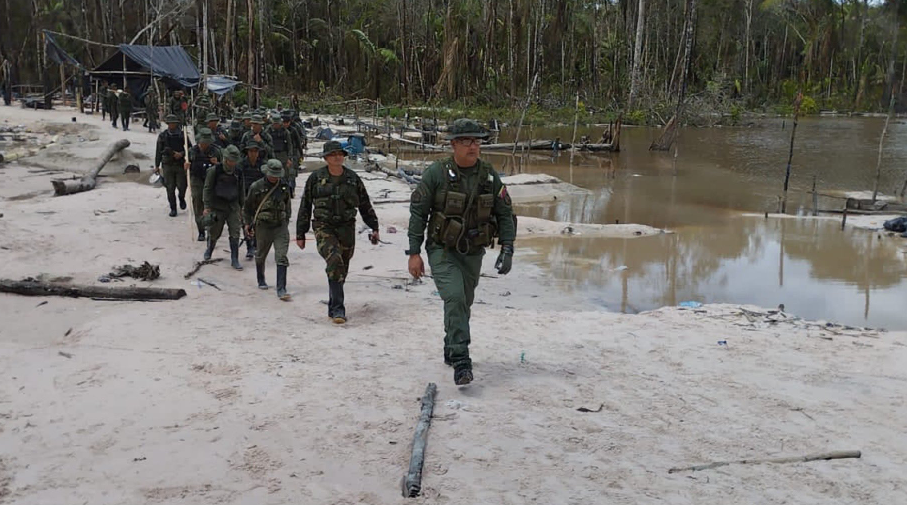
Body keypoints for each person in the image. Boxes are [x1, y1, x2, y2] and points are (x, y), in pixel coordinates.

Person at [406, 118, 516, 385]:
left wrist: (508, 249)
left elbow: (505, 213)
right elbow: (419, 213)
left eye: (476, 141)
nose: (473, 146)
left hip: (474, 251)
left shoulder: (488, 176)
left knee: (463, 303)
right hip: (441, 249)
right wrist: (413, 252)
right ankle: (462, 361)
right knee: (454, 297)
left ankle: (450, 347)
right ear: (453, 144)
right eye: (466, 141)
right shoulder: (436, 173)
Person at [296, 141, 379, 324]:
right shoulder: (316, 178)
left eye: (340, 154)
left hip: (347, 227)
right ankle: (338, 309)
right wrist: (300, 233)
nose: (337, 157)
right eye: (333, 154)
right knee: (334, 260)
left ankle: (333, 304)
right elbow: (305, 206)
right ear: (326, 158)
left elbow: (364, 204)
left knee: (342, 268)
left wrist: (374, 227)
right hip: (323, 226)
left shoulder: (352, 178)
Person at [243, 159, 293, 301]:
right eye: (272, 174)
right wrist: (247, 224)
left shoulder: (284, 186)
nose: (275, 177)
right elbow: (247, 208)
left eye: (277, 175)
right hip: (263, 226)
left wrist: (286, 221)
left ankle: (281, 288)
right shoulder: (256, 187)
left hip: (280, 226)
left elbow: (287, 205)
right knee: (261, 254)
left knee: (281, 256)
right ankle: (261, 278)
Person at [203, 144, 244, 270]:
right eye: (230, 161)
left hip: (232, 206)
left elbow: (241, 190)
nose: (232, 164)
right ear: (225, 159)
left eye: (234, 161)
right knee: (214, 231)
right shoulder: (214, 171)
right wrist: (207, 206)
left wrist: (242, 208)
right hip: (217, 206)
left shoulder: (238, 172)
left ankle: (234, 258)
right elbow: (207, 189)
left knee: (235, 232)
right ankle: (210, 249)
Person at [185, 128, 222, 241]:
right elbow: (188, 168)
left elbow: (224, 168)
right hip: (197, 180)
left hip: (211, 180)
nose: (204, 144)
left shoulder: (216, 151)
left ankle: (211, 229)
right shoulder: (192, 151)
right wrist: (186, 166)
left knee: (212, 205)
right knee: (197, 203)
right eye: (202, 142)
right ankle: (201, 230)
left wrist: (217, 163)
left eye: (207, 142)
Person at [154, 114, 192, 217]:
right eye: (170, 123)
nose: (172, 125)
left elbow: (190, 149)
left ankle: (181, 197)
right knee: (170, 188)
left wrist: (182, 154)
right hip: (167, 164)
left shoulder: (182, 135)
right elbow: (158, 151)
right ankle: (173, 208)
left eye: (174, 123)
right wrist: (157, 165)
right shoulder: (163, 136)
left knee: (182, 185)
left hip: (180, 164)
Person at [238, 140, 267, 259]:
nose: (253, 154)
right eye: (251, 151)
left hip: (259, 198)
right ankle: (249, 246)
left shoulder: (263, 165)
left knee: (258, 223)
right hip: (245, 197)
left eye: (255, 151)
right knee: (246, 222)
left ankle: (256, 244)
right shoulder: (241, 165)